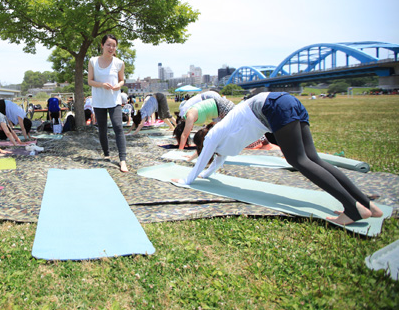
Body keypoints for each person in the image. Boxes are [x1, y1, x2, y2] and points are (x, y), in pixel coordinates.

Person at [173, 92, 383, 226]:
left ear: (203, 142)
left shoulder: (212, 136)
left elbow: (203, 159)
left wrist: (187, 180)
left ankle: (352, 208)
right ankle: (366, 205)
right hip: (285, 101)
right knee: (312, 159)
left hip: (272, 107)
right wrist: (204, 175)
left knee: (298, 160)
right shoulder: (223, 139)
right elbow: (215, 162)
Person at [88, 34, 128, 173]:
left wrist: (118, 85)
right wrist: (101, 85)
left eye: (114, 45)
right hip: (99, 100)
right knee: (103, 129)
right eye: (108, 45)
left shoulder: (119, 63)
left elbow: (122, 80)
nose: (111, 48)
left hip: (114, 100)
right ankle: (106, 154)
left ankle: (122, 160)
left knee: (118, 127)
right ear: (102, 45)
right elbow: (90, 81)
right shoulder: (93, 61)